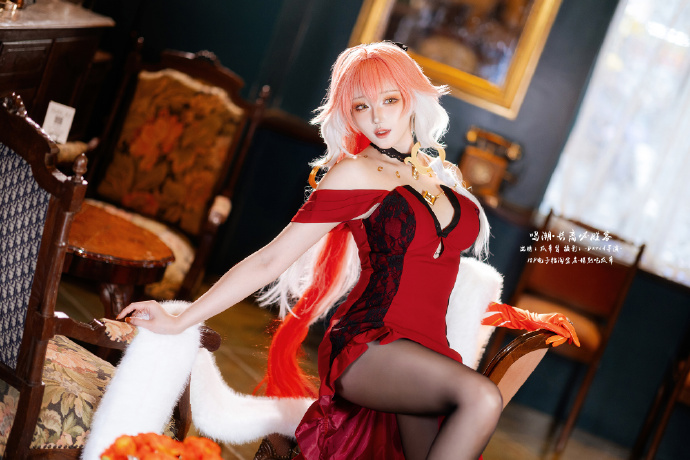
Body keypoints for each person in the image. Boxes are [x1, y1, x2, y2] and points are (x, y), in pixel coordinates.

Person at [118, 41, 578, 460]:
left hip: (430, 354)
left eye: (389, 100)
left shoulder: (441, 176)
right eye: (362, 107)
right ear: (348, 115)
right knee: (481, 398)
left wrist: (510, 316)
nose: (377, 118)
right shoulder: (355, 173)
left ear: (411, 97)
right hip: (370, 347)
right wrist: (181, 318)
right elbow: (270, 259)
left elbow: (438, 270)